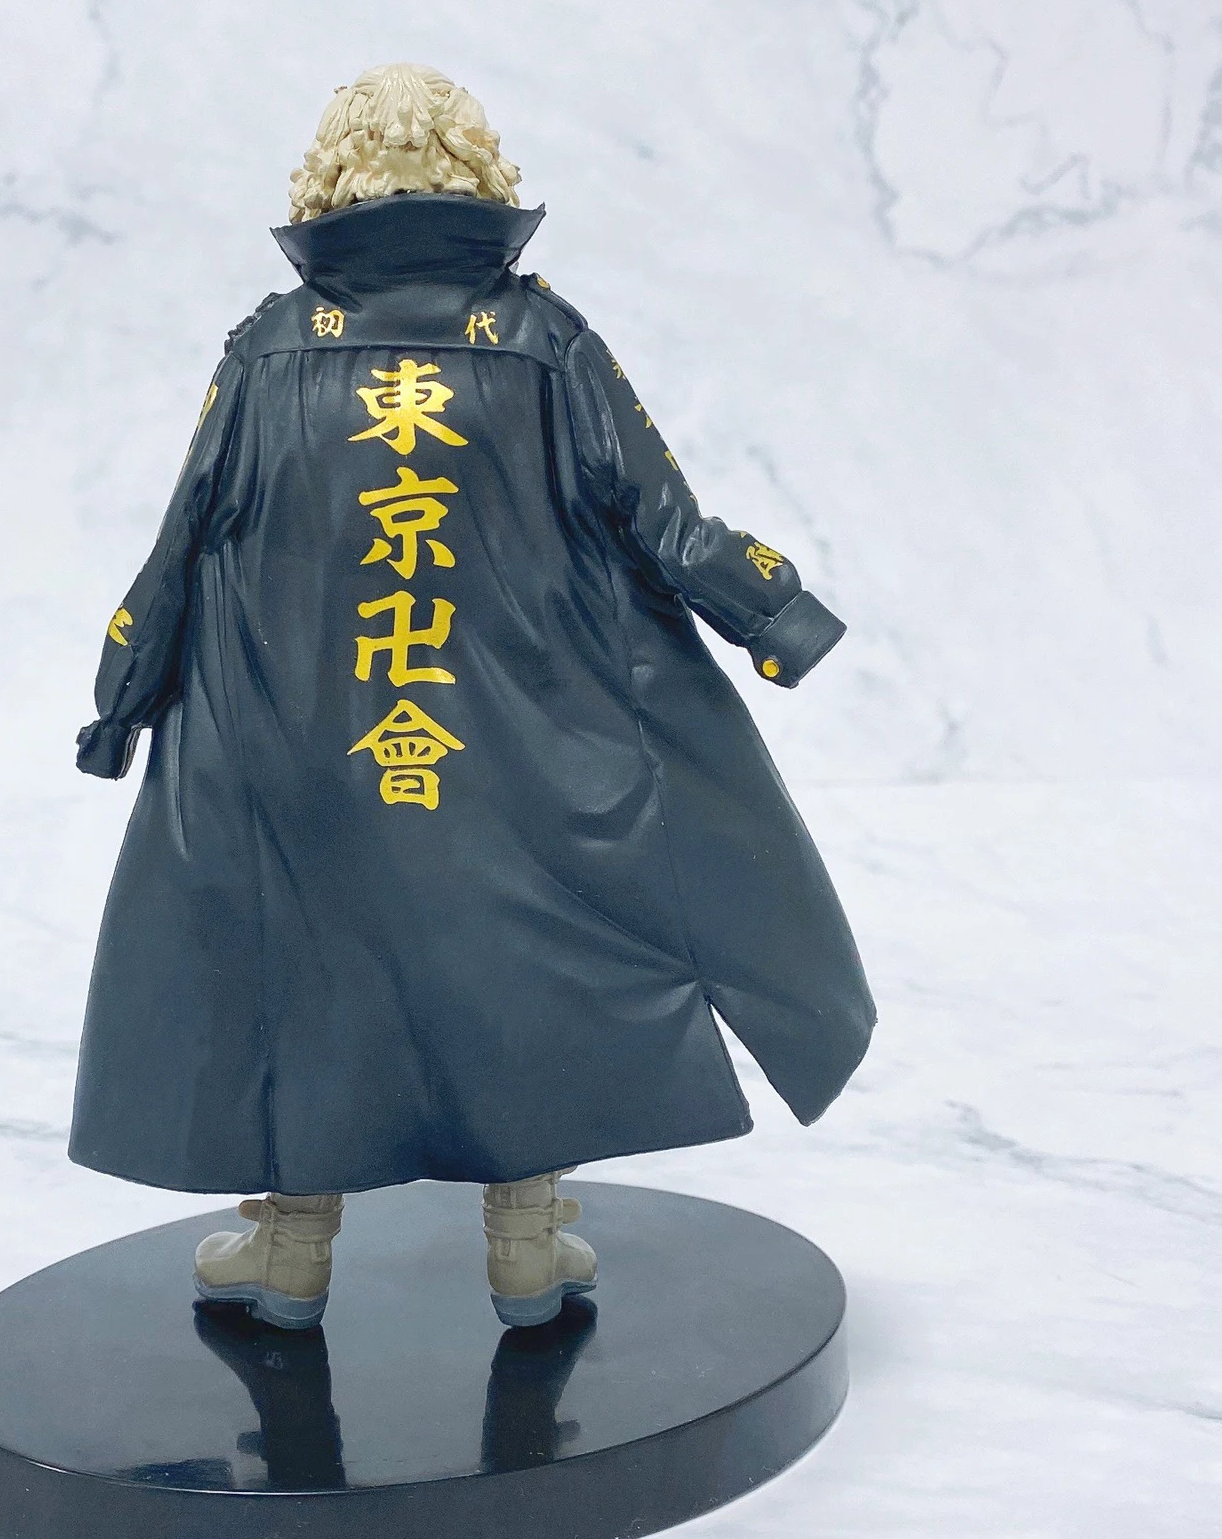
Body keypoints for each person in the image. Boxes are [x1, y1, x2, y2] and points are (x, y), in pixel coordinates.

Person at [72, 64, 875, 1329]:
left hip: (299, 752)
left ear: (330, 178)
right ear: (478, 171)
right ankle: (525, 1244)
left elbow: (180, 542)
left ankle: (291, 1253)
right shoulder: (544, 342)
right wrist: (775, 617)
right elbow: (663, 518)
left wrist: (123, 696)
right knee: (522, 965)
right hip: (513, 747)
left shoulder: (272, 348)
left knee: (309, 974)